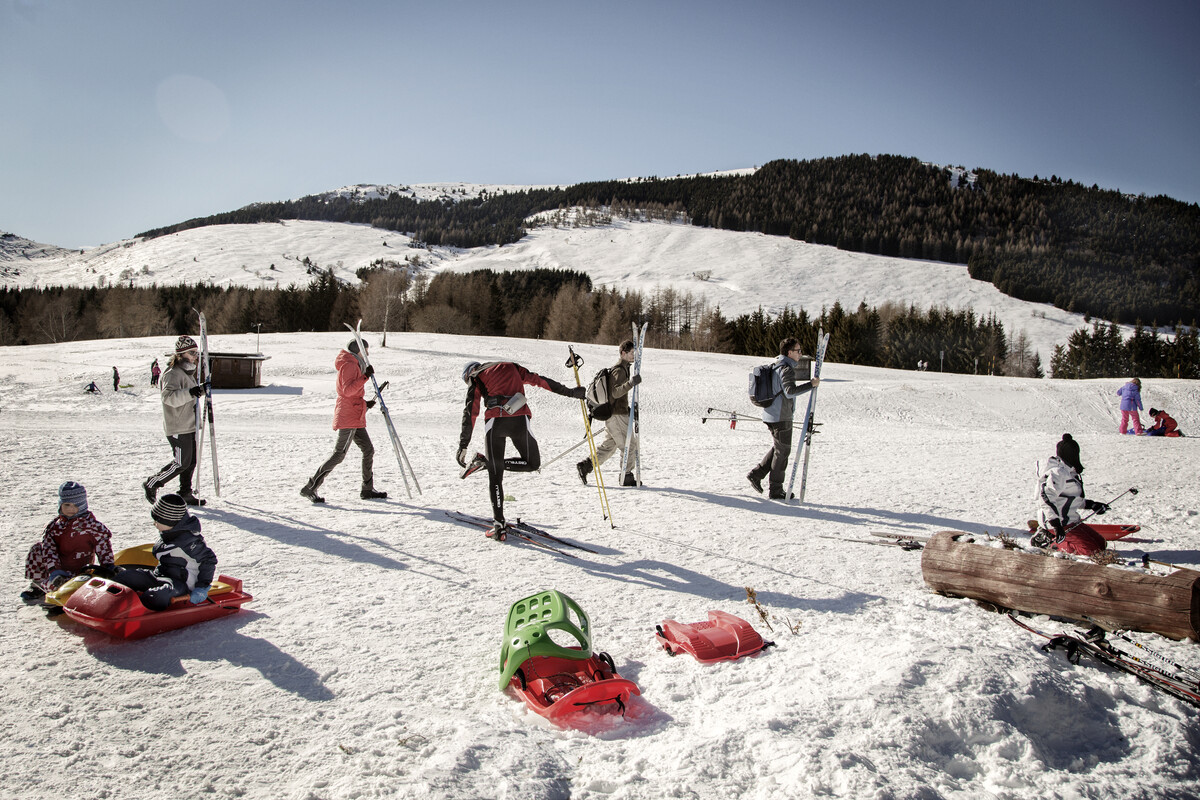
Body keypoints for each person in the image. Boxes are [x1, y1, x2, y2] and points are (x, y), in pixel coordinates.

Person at [458, 360, 585, 537]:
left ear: (469, 372)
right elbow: (541, 381)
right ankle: (487, 464)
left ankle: (499, 526)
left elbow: (471, 411)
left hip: (495, 422)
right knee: (532, 463)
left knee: (495, 476)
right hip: (519, 419)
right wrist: (572, 393)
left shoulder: (476, 376)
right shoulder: (512, 366)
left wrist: (463, 445)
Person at [300, 338, 386, 503]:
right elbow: (347, 390)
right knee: (339, 455)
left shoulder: (355, 363)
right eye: (365, 350)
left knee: (368, 450)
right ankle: (310, 487)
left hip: (355, 414)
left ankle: (367, 489)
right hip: (348, 417)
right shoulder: (350, 364)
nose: (367, 354)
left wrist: (364, 403)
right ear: (358, 350)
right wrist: (365, 377)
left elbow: (352, 392)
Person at [110, 494, 217, 611]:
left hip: (181, 585)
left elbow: (208, 559)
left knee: (157, 596)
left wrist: (202, 587)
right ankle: (110, 602)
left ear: (169, 521)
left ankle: (135, 609)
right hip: (159, 576)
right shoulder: (169, 534)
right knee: (125, 577)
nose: (154, 523)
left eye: (157, 520)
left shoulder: (188, 541)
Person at [746, 337, 820, 499]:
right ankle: (776, 489)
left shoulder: (777, 365)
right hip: (780, 416)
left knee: (779, 448)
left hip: (772, 414)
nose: (800, 354)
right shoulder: (785, 368)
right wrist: (811, 385)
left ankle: (757, 474)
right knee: (783, 452)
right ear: (789, 352)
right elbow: (789, 391)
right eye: (798, 351)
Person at [21, 481, 116, 602]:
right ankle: (38, 585)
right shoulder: (54, 528)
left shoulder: (93, 527)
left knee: (74, 586)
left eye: (75, 505)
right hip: (56, 573)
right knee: (37, 548)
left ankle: (62, 595)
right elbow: (49, 551)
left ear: (82, 505)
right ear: (60, 505)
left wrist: (108, 567)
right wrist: (55, 571)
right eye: (67, 505)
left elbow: (104, 547)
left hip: (80, 573)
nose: (71, 509)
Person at [143, 335, 206, 506]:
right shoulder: (172, 374)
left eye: (196, 353)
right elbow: (169, 398)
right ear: (181, 355)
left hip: (189, 425)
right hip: (177, 426)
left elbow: (190, 395)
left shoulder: (187, 374)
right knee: (180, 462)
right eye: (192, 353)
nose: (195, 356)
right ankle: (153, 482)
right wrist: (192, 392)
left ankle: (185, 492)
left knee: (190, 461)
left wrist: (200, 390)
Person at [576, 339, 643, 487]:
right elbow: (615, 392)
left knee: (609, 446)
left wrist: (628, 409)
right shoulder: (619, 370)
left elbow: (619, 396)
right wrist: (631, 383)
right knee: (629, 445)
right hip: (617, 416)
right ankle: (626, 476)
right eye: (632, 353)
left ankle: (585, 466)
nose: (634, 356)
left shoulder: (624, 368)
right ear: (623, 353)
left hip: (617, 414)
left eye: (635, 353)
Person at [1031, 433, 1109, 556]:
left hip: (1070, 521)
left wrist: (1092, 505)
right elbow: (1045, 497)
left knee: (1101, 544)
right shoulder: (1058, 472)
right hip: (1058, 523)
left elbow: (1068, 498)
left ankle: (1056, 537)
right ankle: (1049, 540)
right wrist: (1055, 525)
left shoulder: (1070, 471)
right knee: (1092, 552)